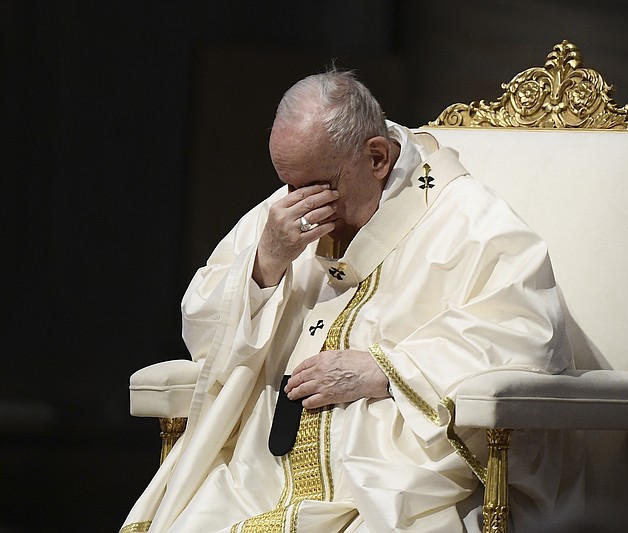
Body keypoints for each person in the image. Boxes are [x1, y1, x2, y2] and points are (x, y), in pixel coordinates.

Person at [121, 69, 583, 533]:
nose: (303, 206)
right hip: (257, 466)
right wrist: (266, 262)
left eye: (318, 188)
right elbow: (202, 325)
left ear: (377, 158)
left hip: (394, 475)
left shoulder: (470, 220)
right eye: (289, 186)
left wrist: (385, 369)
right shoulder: (291, 210)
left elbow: (528, 338)